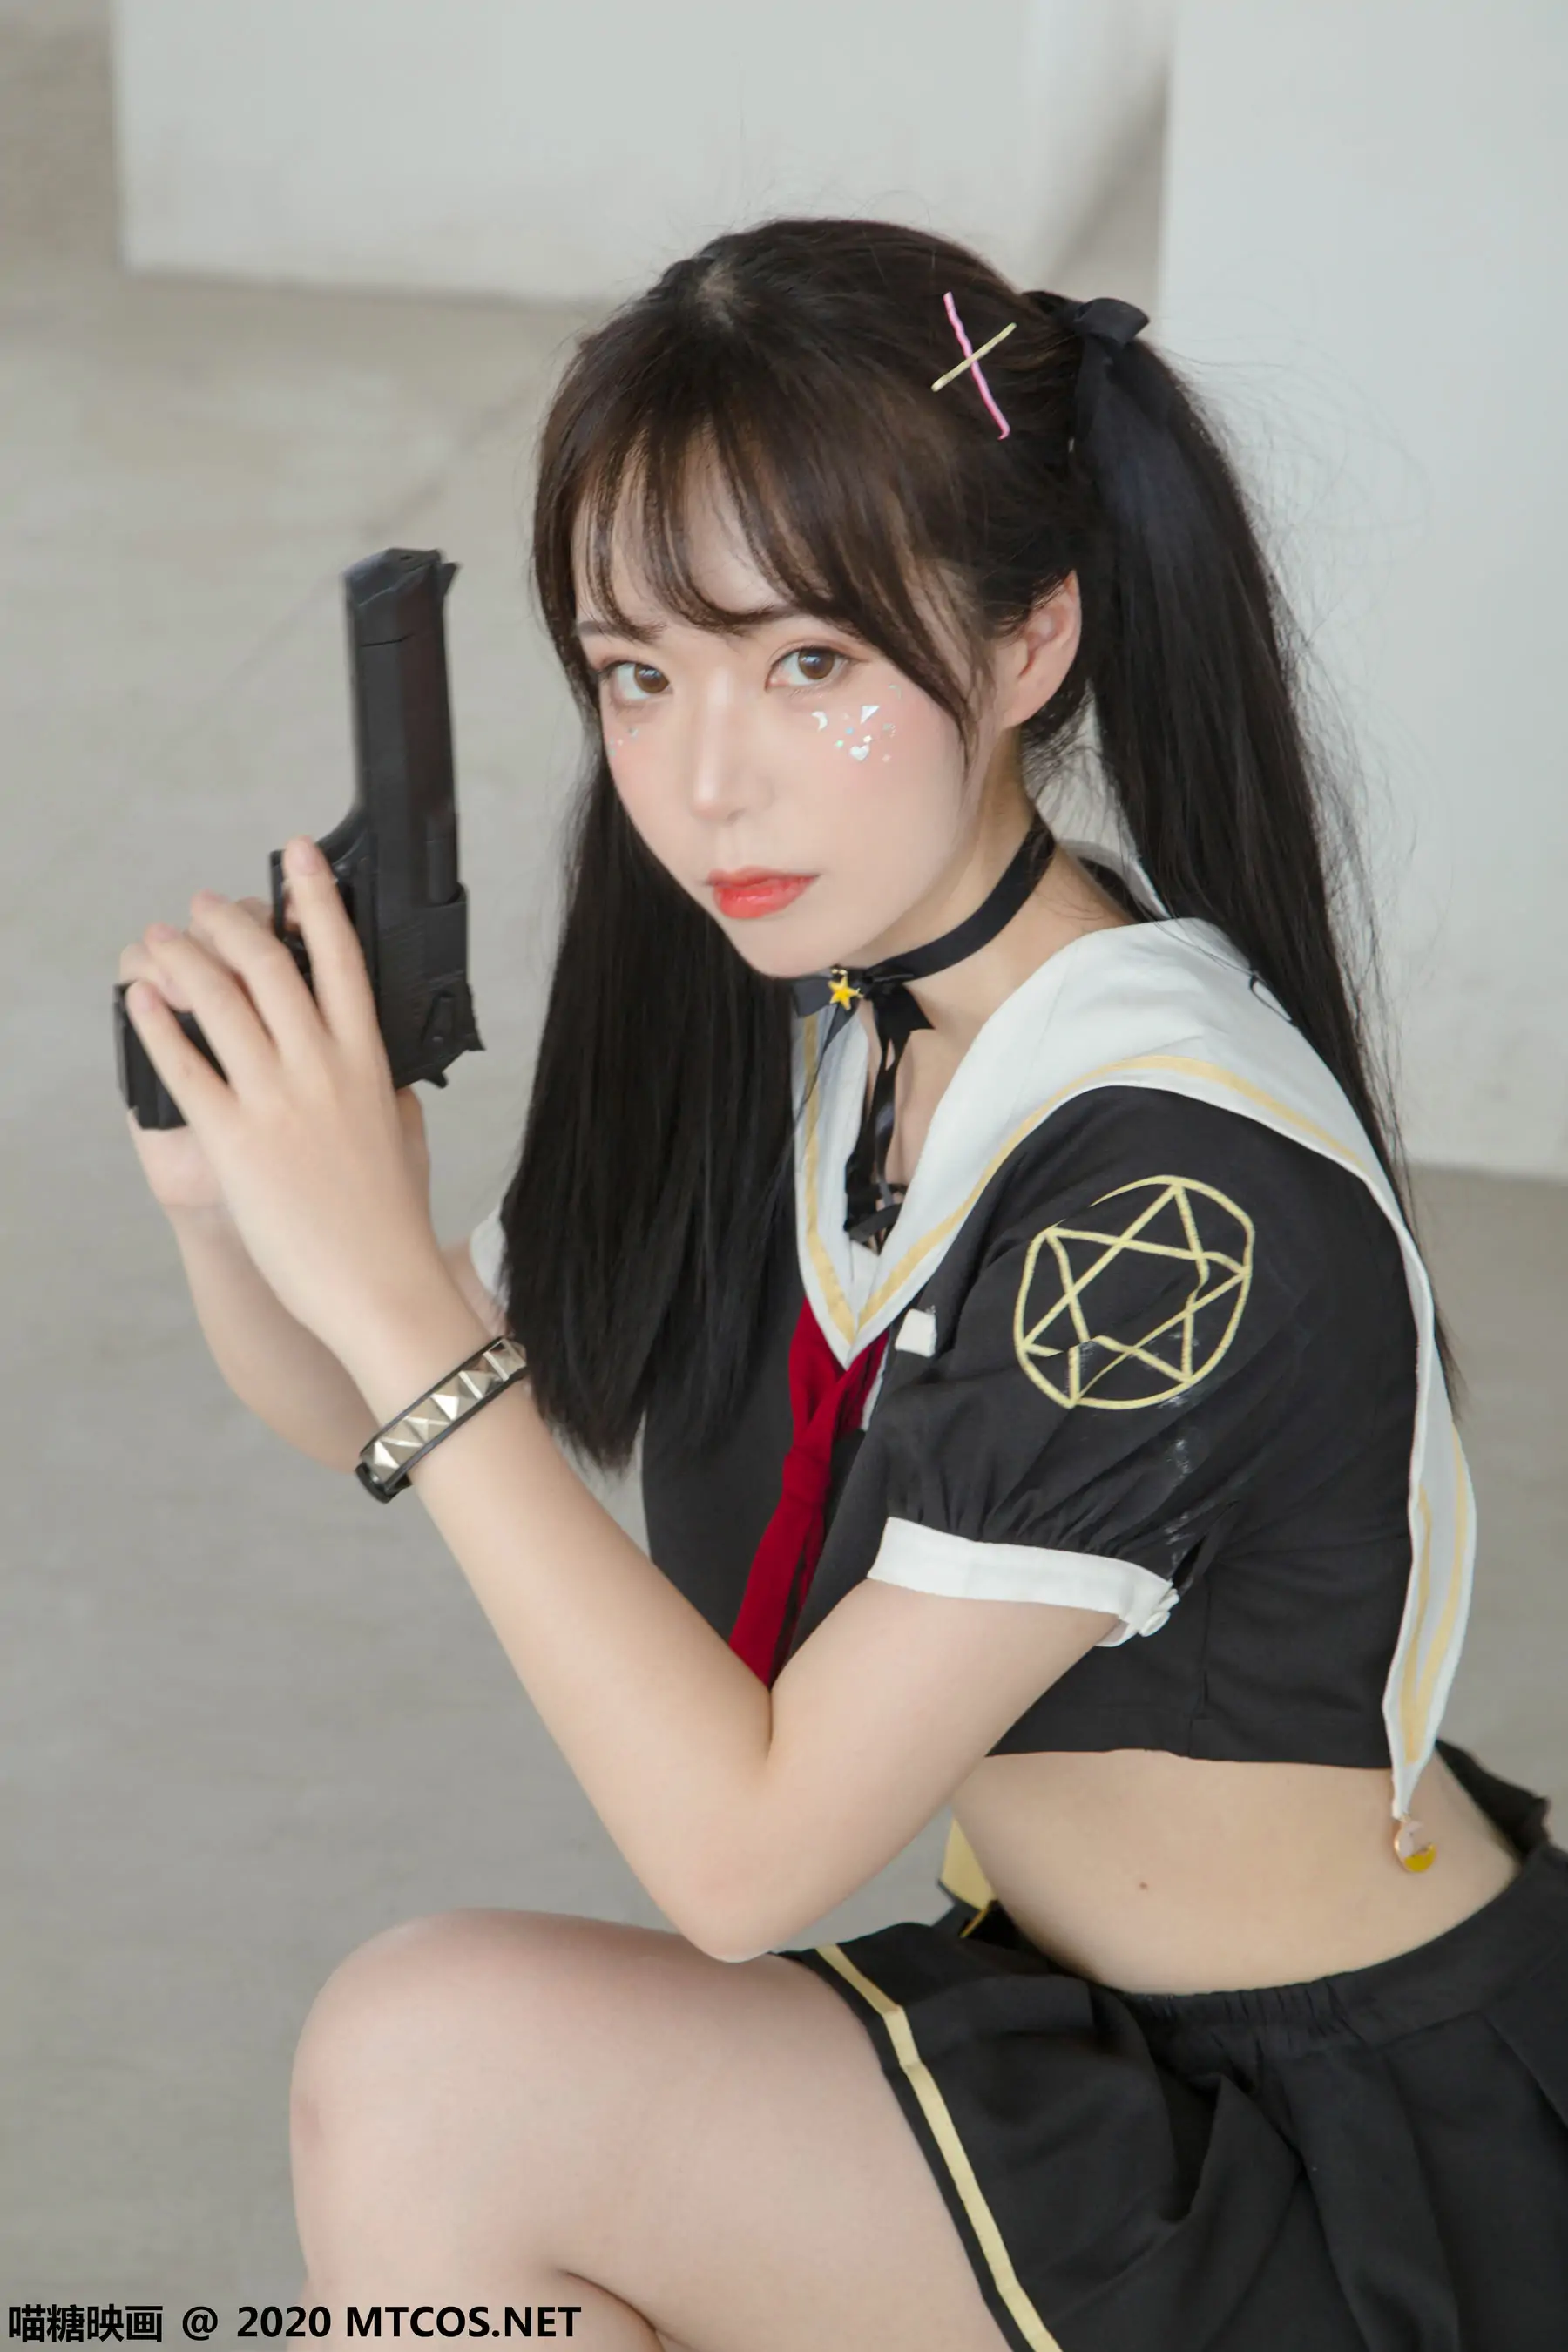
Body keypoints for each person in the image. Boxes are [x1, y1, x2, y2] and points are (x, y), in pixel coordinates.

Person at [120, 217, 1568, 2348]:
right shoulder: (843, 1028)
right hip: (1087, 2028)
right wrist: (224, 1192)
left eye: (808, 663)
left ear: (1029, 642)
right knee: (426, 2115)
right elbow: (383, 1413)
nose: (708, 778)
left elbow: (748, 1858)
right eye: (640, 673)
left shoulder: (1165, 1198)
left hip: (1346, 2166)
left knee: (435, 2079)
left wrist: (395, 1294)